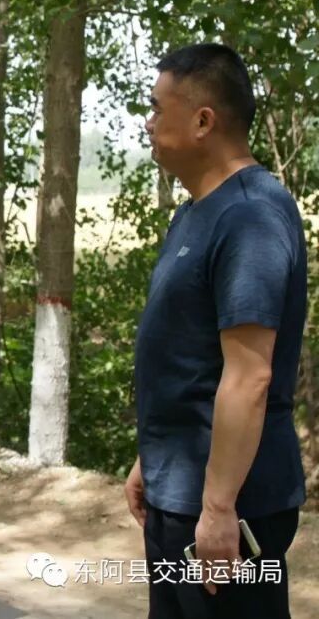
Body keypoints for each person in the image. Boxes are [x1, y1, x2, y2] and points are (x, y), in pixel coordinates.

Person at [125, 43, 306, 619]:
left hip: (232, 503)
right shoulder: (194, 212)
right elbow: (189, 356)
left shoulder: (249, 216)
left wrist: (220, 507)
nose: (148, 122)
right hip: (180, 487)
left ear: (203, 121)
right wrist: (152, 458)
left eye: (157, 108)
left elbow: (249, 376)